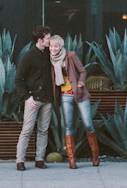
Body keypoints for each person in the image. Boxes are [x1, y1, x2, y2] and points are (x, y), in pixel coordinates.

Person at [48, 35, 98, 169]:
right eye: (51, 46)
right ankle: (72, 159)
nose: (54, 49)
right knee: (69, 127)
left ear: (61, 46)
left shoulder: (70, 55)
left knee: (88, 124)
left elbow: (82, 71)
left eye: (56, 46)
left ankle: (95, 155)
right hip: (65, 97)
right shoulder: (50, 60)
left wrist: (80, 85)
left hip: (80, 95)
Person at [14, 25, 54, 171]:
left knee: (43, 130)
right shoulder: (28, 56)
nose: (50, 40)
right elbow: (18, 79)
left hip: (47, 99)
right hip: (33, 99)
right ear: (40, 40)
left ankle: (39, 159)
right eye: (48, 38)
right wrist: (27, 97)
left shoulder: (50, 53)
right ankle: (20, 161)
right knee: (27, 130)